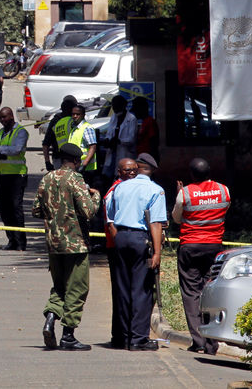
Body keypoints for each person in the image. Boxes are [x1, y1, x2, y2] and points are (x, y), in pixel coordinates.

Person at [33, 143, 101, 351]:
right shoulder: (76, 180)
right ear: (77, 161)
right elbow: (89, 211)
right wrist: (95, 195)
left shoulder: (47, 178)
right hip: (75, 244)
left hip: (54, 243)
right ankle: (68, 335)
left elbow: (36, 210)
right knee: (77, 288)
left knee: (59, 286)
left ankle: (51, 317)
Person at [105, 153, 166, 351]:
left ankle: (123, 337)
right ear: (152, 171)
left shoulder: (119, 187)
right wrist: (156, 252)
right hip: (141, 239)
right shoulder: (155, 190)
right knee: (142, 290)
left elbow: (111, 218)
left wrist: (120, 238)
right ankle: (138, 339)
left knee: (123, 288)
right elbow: (156, 223)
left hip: (121, 238)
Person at [172, 157, 230, 355]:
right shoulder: (224, 190)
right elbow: (223, 210)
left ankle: (198, 341)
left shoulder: (185, 193)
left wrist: (179, 194)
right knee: (210, 291)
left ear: (191, 175)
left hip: (190, 247)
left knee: (191, 293)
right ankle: (212, 343)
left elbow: (177, 218)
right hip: (215, 247)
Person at [103, 158, 139, 348]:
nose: (132, 173)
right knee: (122, 292)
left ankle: (124, 334)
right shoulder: (115, 191)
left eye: (134, 170)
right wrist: (119, 244)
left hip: (124, 246)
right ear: (119, 172)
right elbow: (111, 223)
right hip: (117, 248)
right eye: (127, 170)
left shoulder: (130, 188)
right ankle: (121, 335)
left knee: (128, 291)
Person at [0, 107, 29, 251]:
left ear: (11, 117)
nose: (2, 120)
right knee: (5, 211)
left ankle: (21, 242)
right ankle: (11, 240)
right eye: (0, 118)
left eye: (4, 117)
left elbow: (16, 150)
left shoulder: (21, 132)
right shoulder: (1, 132)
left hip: (17, 176)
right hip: (2, 176)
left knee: (16, 209)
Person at [102, 96, 137, 180]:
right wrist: (107, 140)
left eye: (116, 106)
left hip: (124, 152)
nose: (114, 108)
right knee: (107, 176)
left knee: (120, 176)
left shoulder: (131, 119)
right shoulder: (114, 117)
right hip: (112, 152)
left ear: (123, 105)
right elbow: (109, 133)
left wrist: (119, 141)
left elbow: (131, 139)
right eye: (113, 106)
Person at [64, 105, 98, 185]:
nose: (75, 116)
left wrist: (84, 164)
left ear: (83, 115)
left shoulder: (87, 128)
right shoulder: (74, 128)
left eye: (77, 114)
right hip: (76, 166)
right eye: (73, 114)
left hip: (85, 168)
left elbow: (92, 147)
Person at [43, 95, 78, 172]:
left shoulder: (55, 121)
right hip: (72, 159)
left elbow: (46, 143)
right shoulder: (74, 121)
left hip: (58, 157)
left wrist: (47, 161)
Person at [133, 97, 160, 164]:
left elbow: (153, 142)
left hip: (147, 159)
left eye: (136, 110)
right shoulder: (144, 122)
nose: (135, 113)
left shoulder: (150, 122)